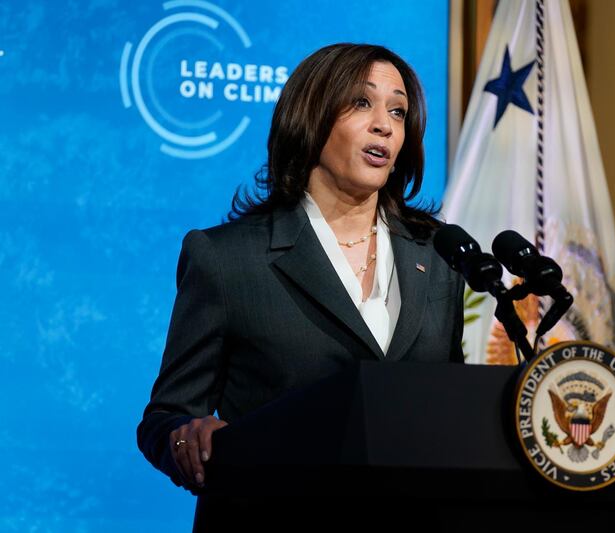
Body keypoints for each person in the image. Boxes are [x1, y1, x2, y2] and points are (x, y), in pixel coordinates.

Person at [136, 43, 465, 525]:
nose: (384, 124)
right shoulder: (228, 258)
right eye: (361, 103)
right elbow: (166, 416)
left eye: (398, 110)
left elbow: (450, 402)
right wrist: (188, 439)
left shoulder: (437, 256)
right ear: (310, 115)